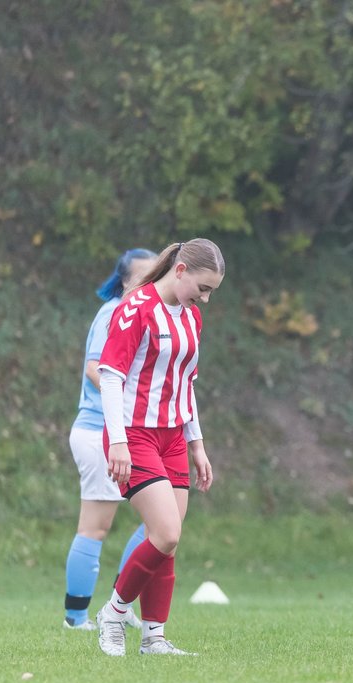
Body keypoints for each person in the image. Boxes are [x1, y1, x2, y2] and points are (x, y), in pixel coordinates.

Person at [93, 238, 224, 656]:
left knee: (167, 538)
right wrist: (117, 442)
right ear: (181, 270)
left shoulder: (191, 318)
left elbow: (186, 385)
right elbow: (111, 376)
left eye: (211, 292)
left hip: (172, 438)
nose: (204, 299)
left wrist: (196, 444)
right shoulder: (137, 308)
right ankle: (113, 614)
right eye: (202, 288)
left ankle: (154, 638)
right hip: (134, 433)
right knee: (166, 532)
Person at [63, 250, 158, 631]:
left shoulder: (143, 312)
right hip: (99, 432)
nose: (150, 284)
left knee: (160, 523)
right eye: (143, 277)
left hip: (128, 434)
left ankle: (120, 603)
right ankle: (77, 617)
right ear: (124, 282)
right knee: (95, 528)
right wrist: (128, 398)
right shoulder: (114, 312)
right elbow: (93, 367)